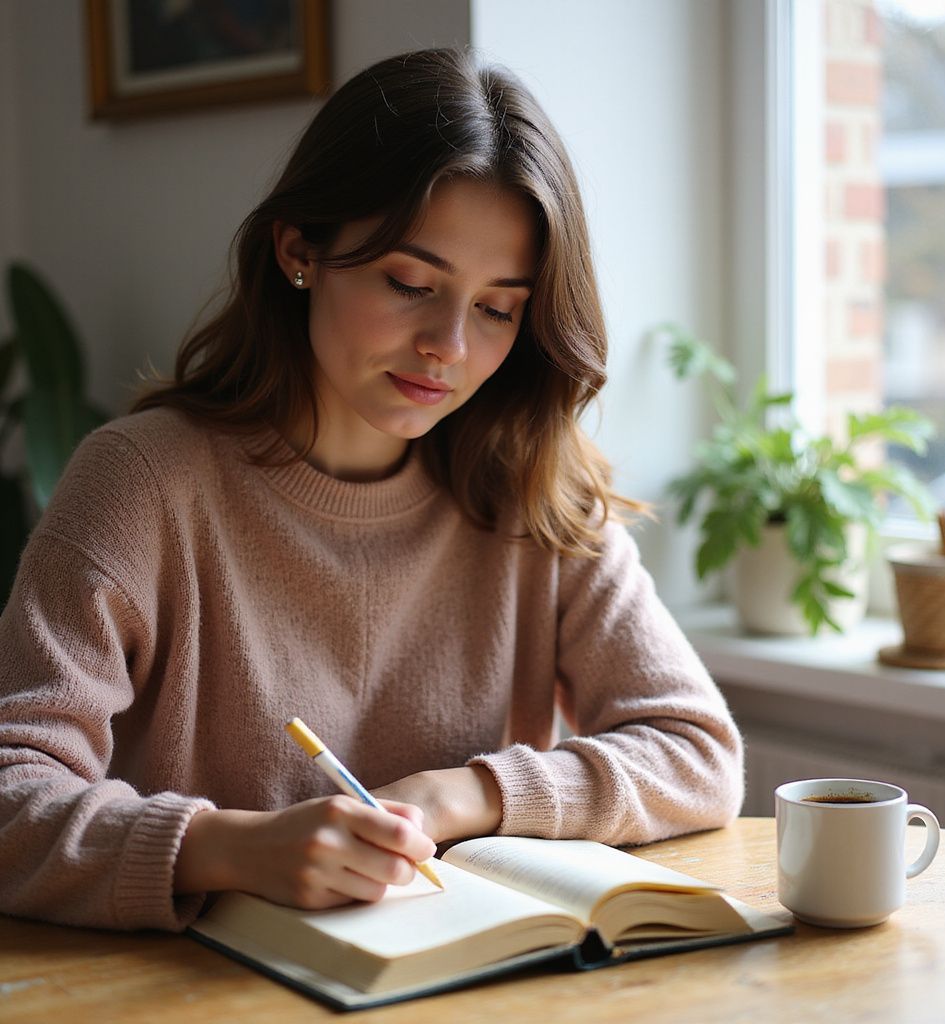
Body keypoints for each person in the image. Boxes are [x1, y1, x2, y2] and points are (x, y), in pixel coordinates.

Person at [0, 48, 743, 932]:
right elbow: (13, 791)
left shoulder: (534, 492)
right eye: (409, 284)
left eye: (498, 308)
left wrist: (460, 794)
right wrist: (229, 847)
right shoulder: (143, 482)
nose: (448, 346)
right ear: (299, 251)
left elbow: (698, 753)